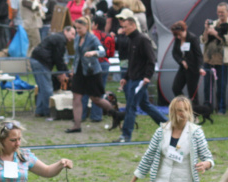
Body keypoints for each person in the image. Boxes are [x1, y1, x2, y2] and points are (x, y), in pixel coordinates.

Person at [115, 12, 167, 143]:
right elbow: (131, 61)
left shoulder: (143, 39)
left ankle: (126, 135)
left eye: (126, 27)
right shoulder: (131, 40)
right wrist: (126, 77)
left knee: (131, 105)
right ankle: (168, 125)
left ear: (133, 25)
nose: (123, 29)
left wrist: (147, 77)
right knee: (144, 105)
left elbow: (151, 59)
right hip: (132, 78)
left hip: (140, 79)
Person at [66, 16, 120, 133]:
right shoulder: (77, 38)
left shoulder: (92, 38)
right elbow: (77, 56)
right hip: (79, 72)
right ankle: (77, 125)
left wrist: (93, 52)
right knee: (76, 97)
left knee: (96, 99)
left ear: (87, 27)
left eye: (80, 28)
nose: (77, 30)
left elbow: (103, 51)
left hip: (92, 72)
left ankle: (116, 114)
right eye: (76, 28)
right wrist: (73, 68)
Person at [30, 26, 75, 118]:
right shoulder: (61, 40)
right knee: (47, 89)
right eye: (72, 34)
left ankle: (40, 111)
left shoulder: (58, 38)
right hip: (41, 62)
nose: (73, 37)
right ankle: (49, 112)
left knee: (42, 88)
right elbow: (58, 58)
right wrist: (63, 72)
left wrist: (64, 71)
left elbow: (58, 58)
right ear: (66, 31)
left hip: (36, 60)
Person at [201, 2, 228, 115]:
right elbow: (203, 40)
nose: (220, 14)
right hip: (209, 58)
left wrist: (215, 33)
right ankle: (208, 108)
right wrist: (207, 29)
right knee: (207, 85)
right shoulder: (214, 23)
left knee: (221, 85)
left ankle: (221, 108)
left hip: (222, 59)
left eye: (222, 12)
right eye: (218, 12)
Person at [81, 15, 115, 122]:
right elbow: (110, 53)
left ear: (95, 25)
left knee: (85, 90)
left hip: (92, 65)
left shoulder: (91, 36)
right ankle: (96, 116)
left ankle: (82, 115)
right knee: (99, 92)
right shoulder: (109, 36)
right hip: (105, 64)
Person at [171, 21, 205, 105]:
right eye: (176, 35)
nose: (178, 37)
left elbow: (199, 55)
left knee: (192, 92)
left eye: (179, 34)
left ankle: (195, 115)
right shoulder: (178, 39)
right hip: (183, 68)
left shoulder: (192, 38)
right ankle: (185, 105)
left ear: (184, 30)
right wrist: (181, 61)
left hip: (193, 69)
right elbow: (174, 53)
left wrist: (200, 67)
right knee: (176, 88)